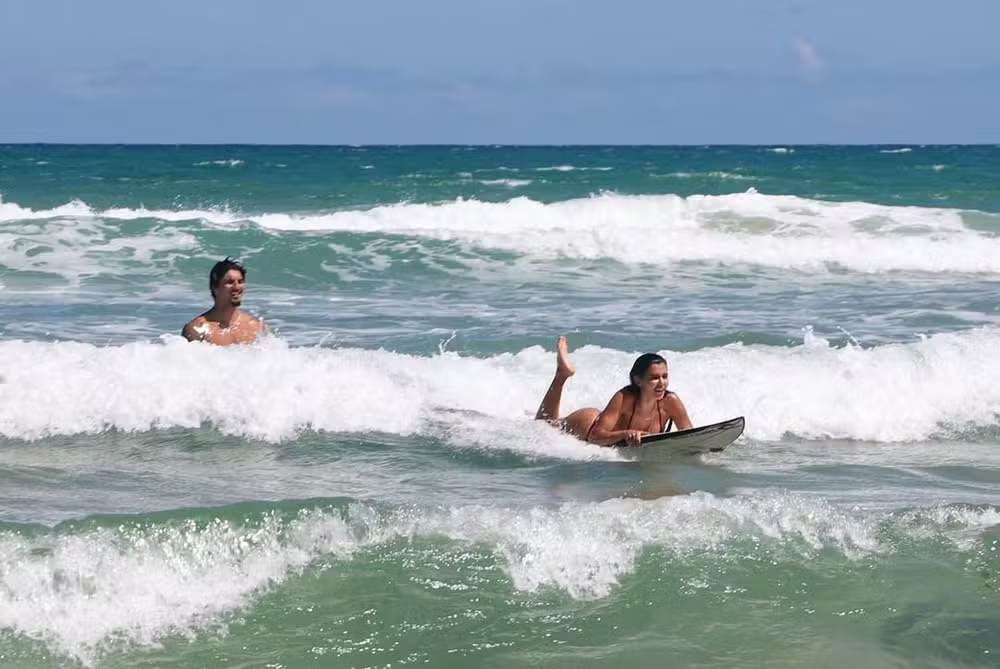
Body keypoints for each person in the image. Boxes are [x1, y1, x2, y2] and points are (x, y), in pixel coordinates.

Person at [535, 336, 692, 446]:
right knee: (546, 423)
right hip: (587, 425)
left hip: (604, 421)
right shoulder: (624, 397)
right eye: (654, 378)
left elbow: (691, 436)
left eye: (665, 376)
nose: (662, 383)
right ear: (638, 380)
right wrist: (626, 434)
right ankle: (561, 374)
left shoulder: (671, 401)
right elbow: (595, 437)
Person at [181, 257, 267, 345]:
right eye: (230, 282)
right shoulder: (197, 330)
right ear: (215, 288)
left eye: (240, 281)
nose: (237, 287)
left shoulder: (257, 327)